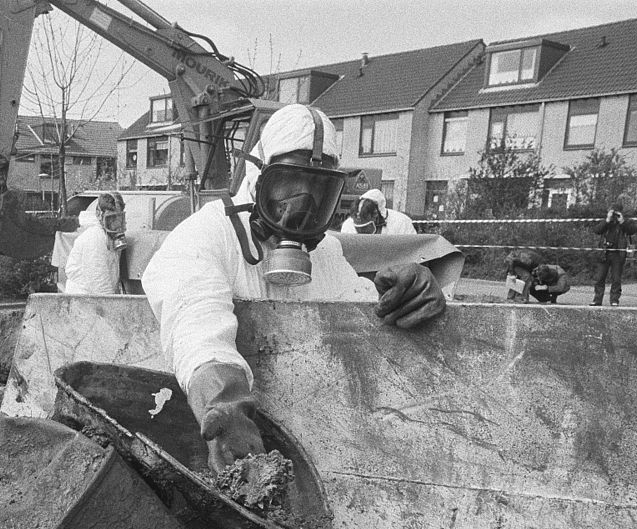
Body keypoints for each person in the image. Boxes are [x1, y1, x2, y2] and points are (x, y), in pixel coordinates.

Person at [141, 103, 446, 473]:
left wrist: (403, 293)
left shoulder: (326, 252)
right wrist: (222, 401)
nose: (303, 206)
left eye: (319, 189)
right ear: (259, 178)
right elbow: (194, 319)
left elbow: (355, 311)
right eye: (289, 184)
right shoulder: (206, 235)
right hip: (210, 437)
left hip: (307, 440)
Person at [63, 191, 126, 295]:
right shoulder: (95, 237)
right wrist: (113, 305)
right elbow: (99, 282)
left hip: (93, 297)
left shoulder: (107, 235)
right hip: (84, 298)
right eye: (111, 218)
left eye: (119, 217)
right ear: (99, 215)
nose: (116, 223)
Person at [591, 205, 637, 307]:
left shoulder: (625, 222)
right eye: (613, 213)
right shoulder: (606, 222)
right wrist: (607, 220)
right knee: (599, 278)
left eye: (616, 213)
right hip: (604, 252)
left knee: (616, 279)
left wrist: (622, 222)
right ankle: (597, 300)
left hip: (618, 254)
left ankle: (614, 300)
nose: (614, 216)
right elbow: (597, 230)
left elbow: (633, 230)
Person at [339, 188, 417, 235]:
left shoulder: (401, 222)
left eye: (365, 227)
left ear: (376, 214)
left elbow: (412, 251)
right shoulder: (348, 225)